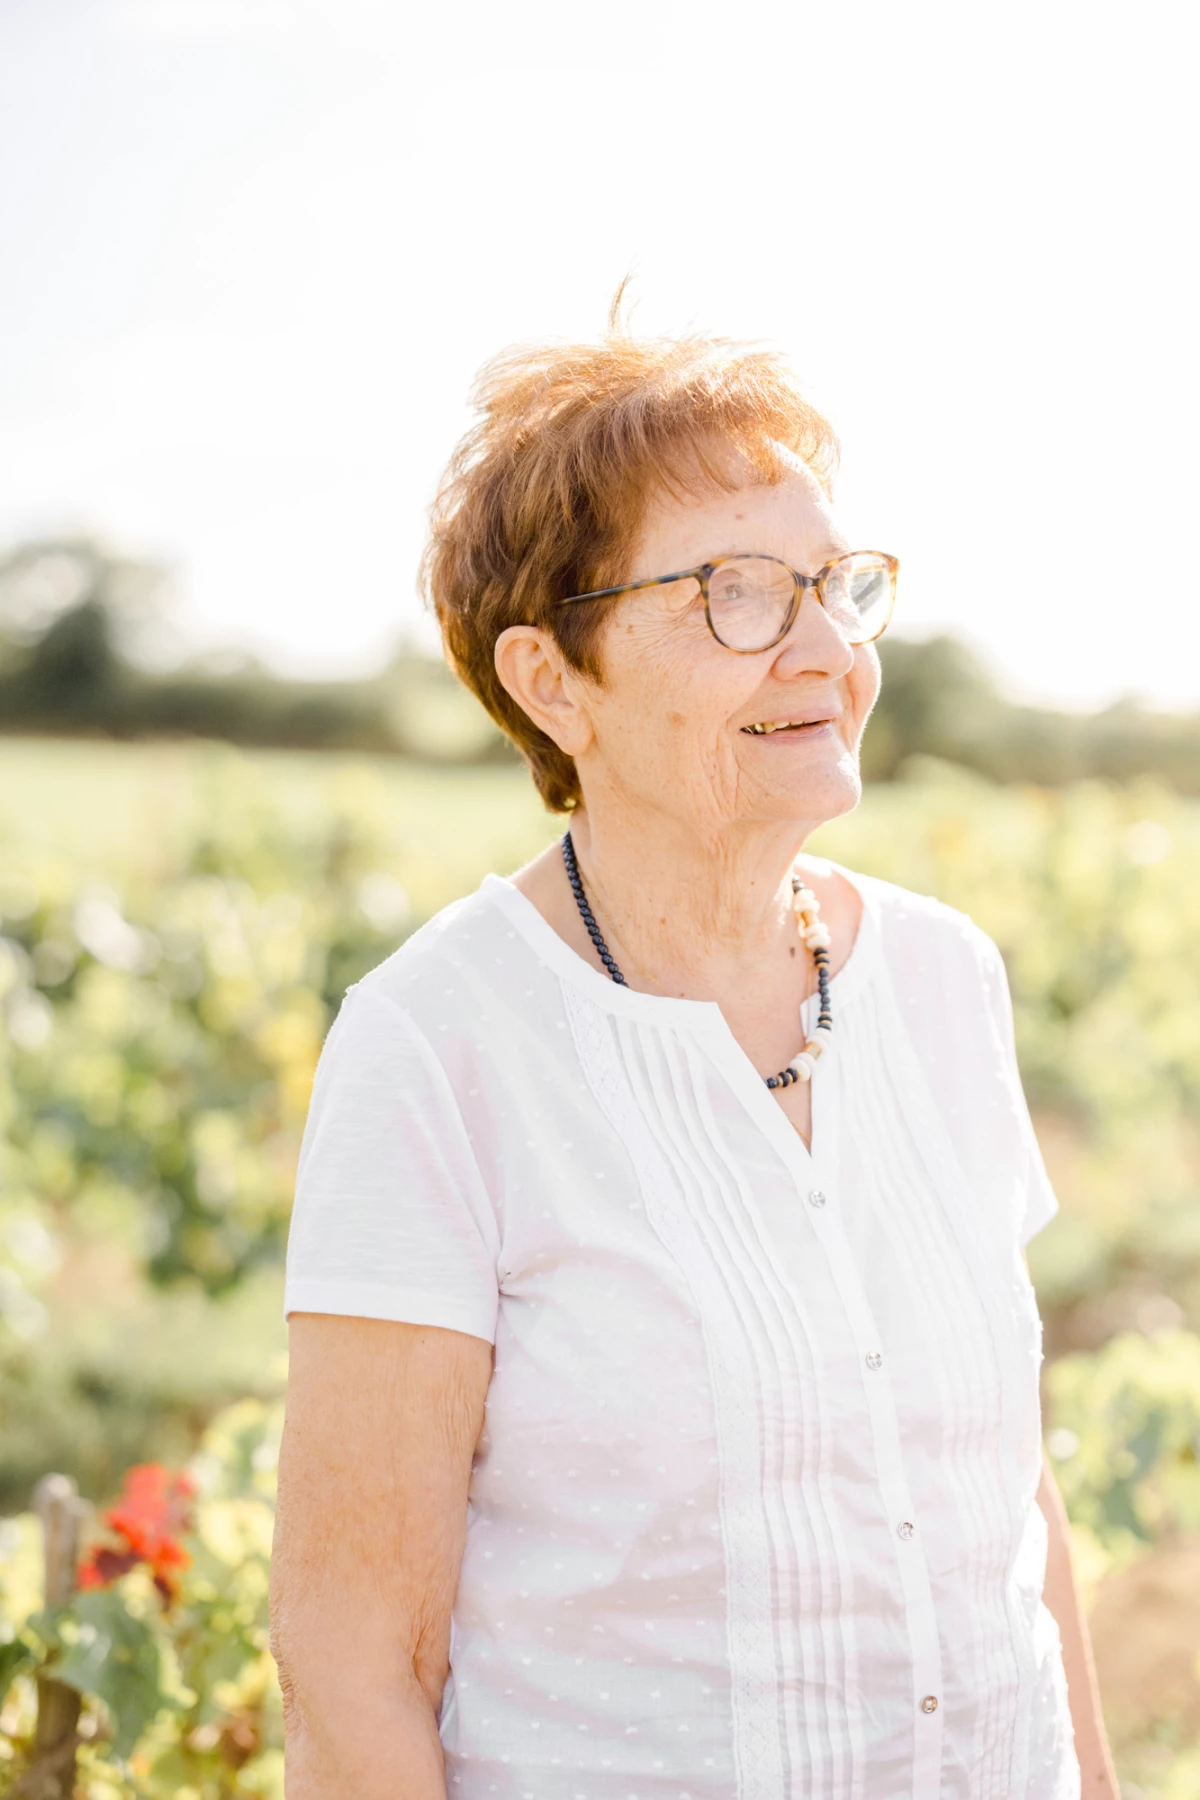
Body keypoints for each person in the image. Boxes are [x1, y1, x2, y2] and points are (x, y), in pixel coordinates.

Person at [269, 319, 1116, 1799]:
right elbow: (353, 1665)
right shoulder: (440, 1046)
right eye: (735, 594)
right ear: (554, 682)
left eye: (836, 586)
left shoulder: (940, 978)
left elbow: (1002, 1502)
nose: (826, 649)